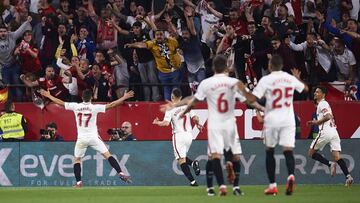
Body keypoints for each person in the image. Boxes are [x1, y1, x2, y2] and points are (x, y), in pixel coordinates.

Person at [162, 55, 245, 196]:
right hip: (230, 124)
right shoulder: (234, 82)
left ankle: (217, 187)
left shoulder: (207, 83)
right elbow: (249, 100)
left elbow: (193, 100)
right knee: (236, 156)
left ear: (213, 68)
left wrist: (182, 109)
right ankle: (236, 187)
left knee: (214, 157)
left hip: (215, 126)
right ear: (227, 67)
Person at [238, 54, 309, 196]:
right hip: (288, 120)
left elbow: (253, 98)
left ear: (270, 66)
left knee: (269, 151)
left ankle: (273, 186)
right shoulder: (289, 78)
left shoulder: (266, 80)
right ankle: (291, 176)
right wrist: (296, 79)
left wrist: (244, 92)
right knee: (288, 150)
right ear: (282, 66)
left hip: (272, 119)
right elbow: (306, 89)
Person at [40, 88, 135, 187]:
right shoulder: (94, 107)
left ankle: (78, 183)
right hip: (93, 138)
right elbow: (112, 105)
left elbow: (60, 102)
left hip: (81, 139)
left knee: (77, 160)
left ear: (82, 97)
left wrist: (49, 96)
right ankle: (120, 172)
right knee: (108, 155)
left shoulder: (76, 106)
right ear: (91, 98)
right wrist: (124, 97)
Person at [153, 88, 202, 186]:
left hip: (178, 135)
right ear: (180, 97)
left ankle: (193, 182)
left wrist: (157, 122)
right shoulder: (187, 104)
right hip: (189, 136)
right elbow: (195, 118)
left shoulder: (170, 108)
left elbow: (166, 123)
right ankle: (193, 164)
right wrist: (198, 124)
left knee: (181, 160)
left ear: (172, 96)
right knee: (182, 156)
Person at [307, 86, 353, 186]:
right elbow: (329, 116)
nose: (315, 93)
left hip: (325, 132)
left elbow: (328, 116)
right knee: (337, 156)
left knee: (311, 153)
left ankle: (330, 164)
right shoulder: (324, 104)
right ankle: (348, 176)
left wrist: (317, 122)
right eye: (315, 91)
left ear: (323, 95)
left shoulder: (322, 103)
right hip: (334, 132)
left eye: (318, 92)